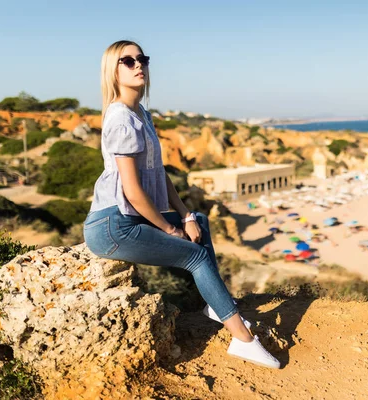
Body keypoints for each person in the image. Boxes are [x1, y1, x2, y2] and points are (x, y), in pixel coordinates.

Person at [83, 40, 280, 369]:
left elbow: (159, 175)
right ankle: (243, 341)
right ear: (112, 71)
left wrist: (186, 216)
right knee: (195, 255)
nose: (138, 65)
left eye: (142, 59)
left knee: (200, 221)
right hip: (111, 227)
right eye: (127, 61)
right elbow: (132, 191)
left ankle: (218, 307)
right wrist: (169, 228)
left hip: (128, 218)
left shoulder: (141, 114)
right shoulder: (120, 119)